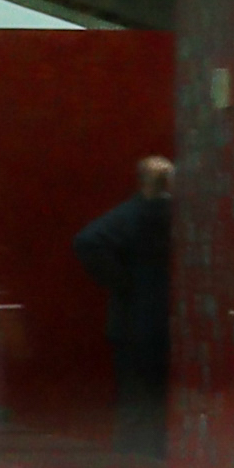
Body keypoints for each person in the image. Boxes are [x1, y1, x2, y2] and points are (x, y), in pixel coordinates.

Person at [74, 155, 176, 450]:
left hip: (132, 322)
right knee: (155, 404)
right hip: (157, 321)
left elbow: (87, 241)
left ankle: (132, 467)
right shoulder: (171, 215)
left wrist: (124, 283)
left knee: (135, 406)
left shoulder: (130, 215)